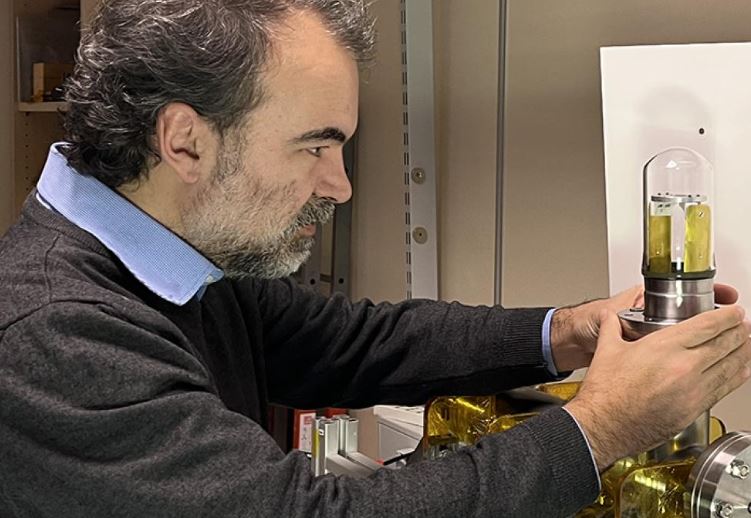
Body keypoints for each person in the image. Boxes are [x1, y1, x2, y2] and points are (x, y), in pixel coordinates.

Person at [0, 1, 749, 516]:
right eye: (314, 146)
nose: (340, 184)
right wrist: (602, 427)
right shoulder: (56, 336)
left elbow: (351, 341)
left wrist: (567, 332)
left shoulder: (175, 258)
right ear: (185, 142)